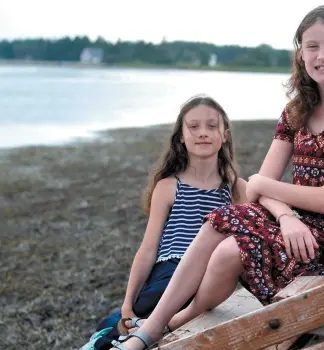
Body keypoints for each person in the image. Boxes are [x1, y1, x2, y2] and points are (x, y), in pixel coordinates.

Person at [110, 5, 324, 349]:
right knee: (222, 224)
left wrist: (261, 185)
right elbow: (259, 190)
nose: (322, 56)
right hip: (302, 223)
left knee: (232, 247)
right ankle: (154, 328)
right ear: (300, 53)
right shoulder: (296, 110)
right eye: (312, 46)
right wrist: (285, 215)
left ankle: (177, 319)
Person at [82, 94, 248, 350]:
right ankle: (112, 337)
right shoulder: (169, 187)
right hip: (169, 271)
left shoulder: (235, 189)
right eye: (193, 126)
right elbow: (148, 250)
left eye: (211, 126)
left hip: (211, 277)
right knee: (127, 320)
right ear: (181, 136)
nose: (203, 133)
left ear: (224, 134)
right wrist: (128, 303)